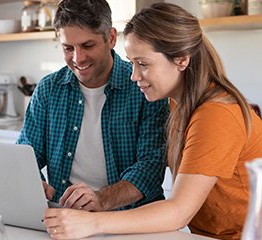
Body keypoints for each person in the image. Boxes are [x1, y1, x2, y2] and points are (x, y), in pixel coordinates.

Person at [43, 3, 262, 240]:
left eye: (143, 64)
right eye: (132, 62)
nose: (134, 75)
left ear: (181, 60)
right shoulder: (179, 106)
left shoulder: (216, 114)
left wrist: (92, 222)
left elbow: (178, 211)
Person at [17, 0, 168, 212]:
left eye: (88, 46)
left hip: (132, 219)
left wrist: (101, 199)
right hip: (68, 217)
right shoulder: (48, 89)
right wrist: (33, 182)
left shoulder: (144, 87)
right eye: (68, 48)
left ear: (111, 38)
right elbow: (26, 153)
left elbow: (151, 167)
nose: (78, 58)